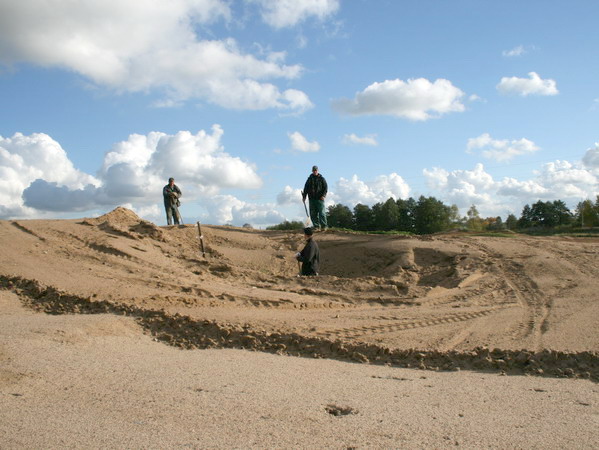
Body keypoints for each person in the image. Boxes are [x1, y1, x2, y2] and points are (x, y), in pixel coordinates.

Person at [302, 165, 328, 230]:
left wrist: (323, 196)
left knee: (322, 213)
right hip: (311, 199)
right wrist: (304, 197)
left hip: (320, 199)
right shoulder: (309, 179)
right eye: (314, 170)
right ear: (312, 171)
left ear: (318, 170)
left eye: (316, 170)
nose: (315, 171)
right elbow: (306, 188)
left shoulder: (322, 179)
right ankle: (316, 226)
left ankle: (324, 226)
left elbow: (325, 188)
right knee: (313, 214)